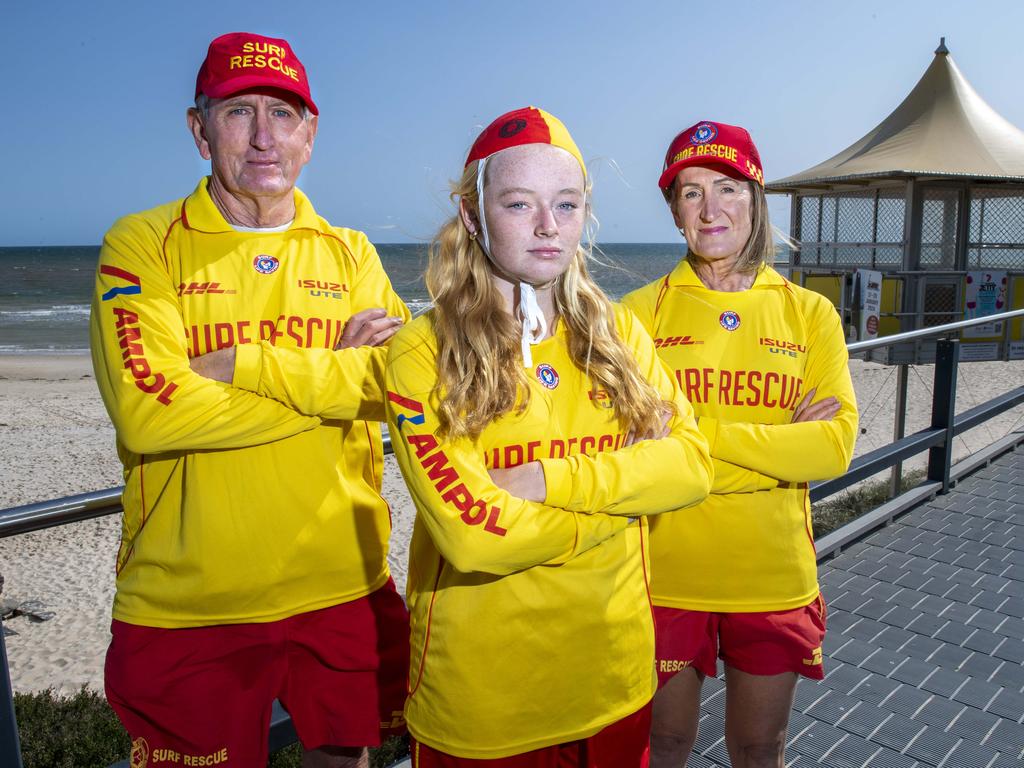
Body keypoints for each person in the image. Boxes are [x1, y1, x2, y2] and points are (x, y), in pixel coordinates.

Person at [90, 32, 410, 768]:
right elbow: (151, 411)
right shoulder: (141, 245)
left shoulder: (351, 252)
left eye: (283, 113)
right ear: (200, 131)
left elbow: (402, 389)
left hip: (343, 581)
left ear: (311, 133)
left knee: (346, 758)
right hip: (188, 599)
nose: (264, 137)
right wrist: (335, 374)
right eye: (239, 113)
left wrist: (241, 365)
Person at [383, 106, 714, 767]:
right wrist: (624, 504)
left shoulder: (619, 334)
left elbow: (695, 468)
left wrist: (548, 484)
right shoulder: (421, 350)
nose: (546, 227)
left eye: (565, 205)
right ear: (474, 217)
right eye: (518, 204)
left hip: (615, 682)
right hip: (485, 705)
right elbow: (471, 535)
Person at [622, 120, 858, 768]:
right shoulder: (638, 314)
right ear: (674, 212)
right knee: (662, 746)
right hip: (667, 570)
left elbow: (833, 447)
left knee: (759, 750)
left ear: (755, 198)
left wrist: (695, 437)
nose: (711, 208)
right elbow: (633, 451)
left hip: (773, 576)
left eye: (727, 187)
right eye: (691, 192)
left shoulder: (810, 314)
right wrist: (777, 447)